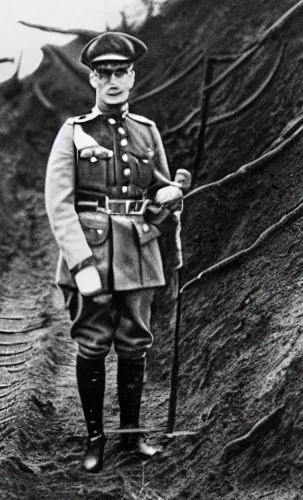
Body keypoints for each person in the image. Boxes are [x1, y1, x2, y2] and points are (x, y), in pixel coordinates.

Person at [45, 31, 191, 473]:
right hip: (92, 255)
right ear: (92, 78)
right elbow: (58, 203)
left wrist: (170, 195)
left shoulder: (146, 131)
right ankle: (95, 439)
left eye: (121, 72)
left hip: (139, 256)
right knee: (92, 345)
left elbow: (157, 187)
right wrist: (81, 264)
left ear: (132, 77)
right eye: (104, 73)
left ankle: (131, 436)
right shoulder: (73, 132)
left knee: (134, 345)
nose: (113, 81)